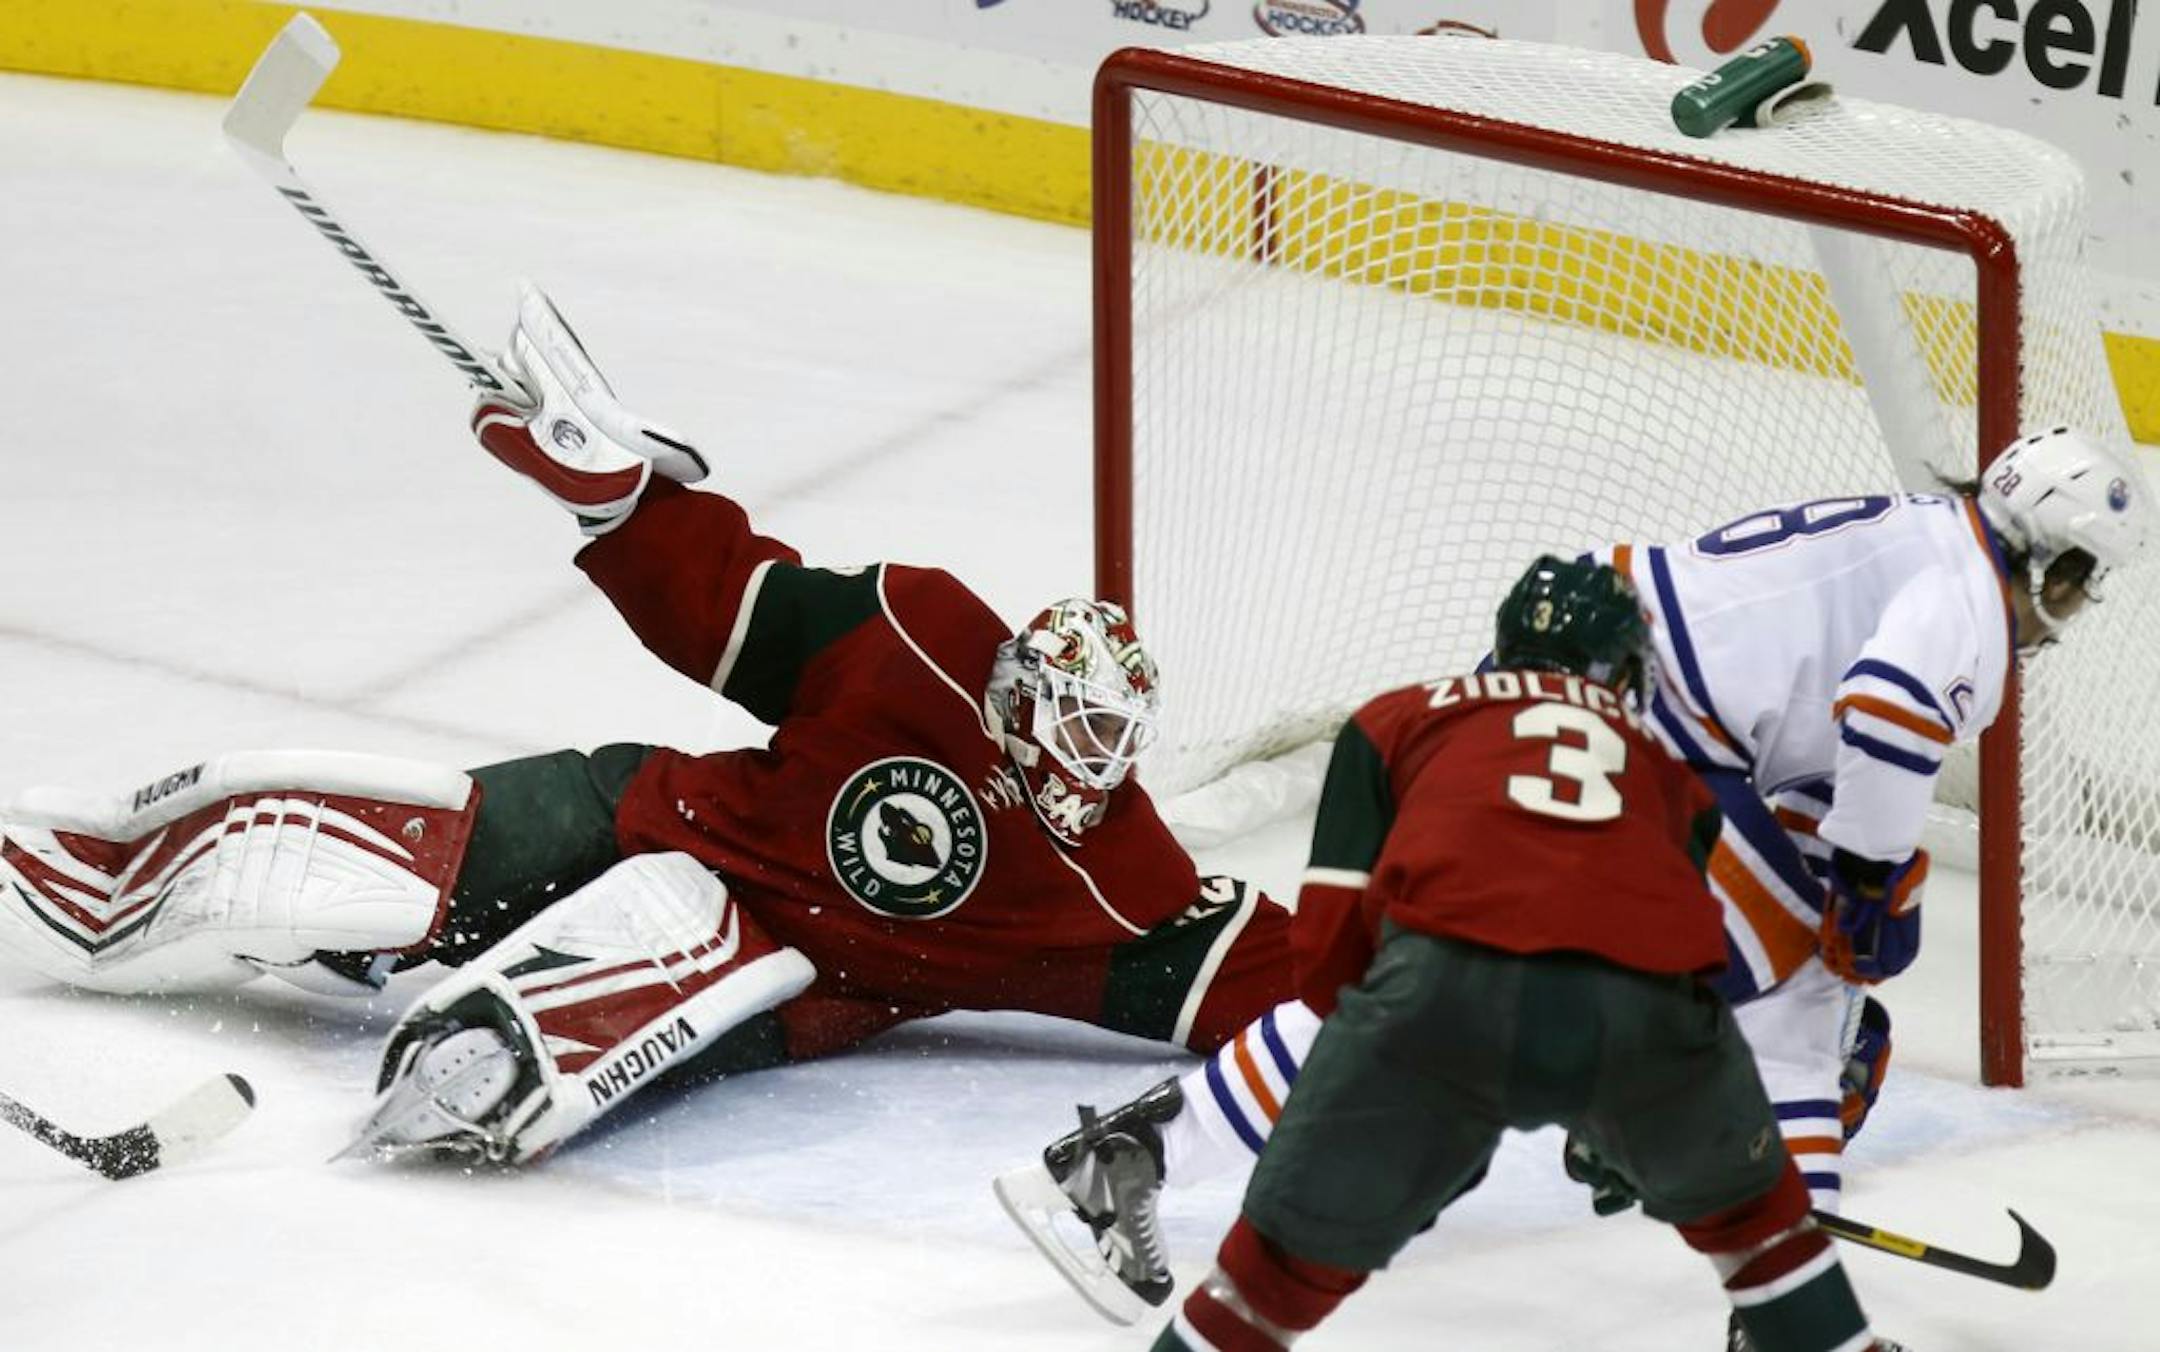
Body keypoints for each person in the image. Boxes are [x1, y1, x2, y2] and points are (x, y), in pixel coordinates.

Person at [0, 283, 1297, 1165]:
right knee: (381, 848)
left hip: (791, 971)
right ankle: (97, 873)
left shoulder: (1118, 886)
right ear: (1017, 687)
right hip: (660, 814)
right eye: (1074, 732)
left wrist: (1410, 986)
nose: (1087, 767)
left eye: (1108, 747)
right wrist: (618, 501)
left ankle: (484, 1037)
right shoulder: (915, 632)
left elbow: (1278, 973)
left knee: (615, 1009)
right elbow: (729, 603)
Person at [1004, 426, 2155, 1343]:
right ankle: (1772, 1291)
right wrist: (1870, 885)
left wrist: (1851, 889)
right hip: (1634, 701)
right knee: (1733, 976)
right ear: (2052, 563)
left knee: (1467, 982)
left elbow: (1825, 733)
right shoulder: (1967, 599)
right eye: (2081, 583)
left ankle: (1132, 1152)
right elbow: (1891, 713)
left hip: (1650, 689)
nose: (2073, 608)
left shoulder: (1928, 532)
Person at [1149, 556, 1888, 1352]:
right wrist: (1626, 1123)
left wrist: (1390, 1080)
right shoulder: (1672, 775)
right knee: (1765, 1237)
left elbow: (1327, 956)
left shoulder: (1395, 719)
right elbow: (1687, 954)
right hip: (1644, 1022)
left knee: (1270, 1280)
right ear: (1625, 669)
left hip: (1435, 996)